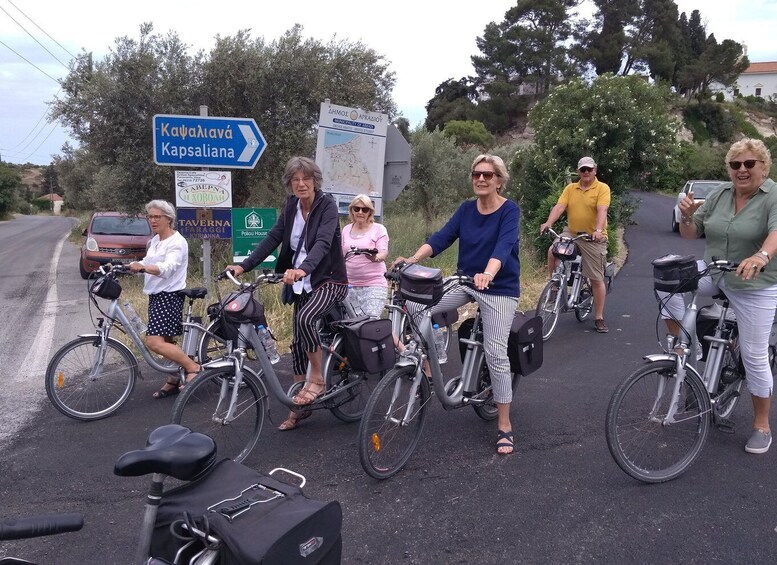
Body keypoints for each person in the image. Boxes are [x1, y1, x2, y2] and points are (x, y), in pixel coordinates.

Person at [394, 154, 520, 455]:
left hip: (499, 288)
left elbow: (504, 247)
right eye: (476, 174)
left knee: (496, 354)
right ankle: (427, 364)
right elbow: (441, 238)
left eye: (488, 175)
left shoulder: (509, 210)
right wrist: (411, 260)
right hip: (466, 281)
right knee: (416, 306)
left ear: (499, 181)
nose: (481, 179)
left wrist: (488, 273)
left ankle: (504, 424)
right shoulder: (466, 209)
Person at [667, 138, 777, 454]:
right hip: (718, 273)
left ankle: (761, 425)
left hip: (757, 284)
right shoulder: (721, 194)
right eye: (735, 165)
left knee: (754, 355)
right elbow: (691, 233)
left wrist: (761, 257)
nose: (741, 170)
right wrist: (687, 217)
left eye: (748, 164)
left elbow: (775, 233)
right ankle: (691, 350)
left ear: (763, 166)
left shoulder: (772, 196)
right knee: (667, 281)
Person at [227, 156, 348, 431]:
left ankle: (317, 378)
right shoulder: (292, 205)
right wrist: (244, 265)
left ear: (315, 181)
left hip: (328, 280)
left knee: (306, 319)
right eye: (296, 179)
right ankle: (299, 406)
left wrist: (303, 269)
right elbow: (273, 237)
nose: (301, 184)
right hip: (299, 281)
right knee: (296, 345)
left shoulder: (327, 206)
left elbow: (322, 242)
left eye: (306, 179)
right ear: (290, 183)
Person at [127, 200, 201, 398]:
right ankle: (173, 377)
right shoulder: (155, 241)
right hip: (155, 295)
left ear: (169, 219)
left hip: (169, 296)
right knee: (167, 341)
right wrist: (130, 265)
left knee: (154, 341)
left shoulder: (177, 242)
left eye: (157, 216)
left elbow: (168, 268)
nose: (152, 220)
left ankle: (192, 368)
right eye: (150, 216)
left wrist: (142, 267)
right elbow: (148, 262)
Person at [540, 156, 611, 333]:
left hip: (592, 237)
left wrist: (598, 230)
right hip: (571, 233)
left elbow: (602, 210)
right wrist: (548, 223)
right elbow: (559, 207)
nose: (586, 172)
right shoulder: (571, 188)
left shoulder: (602, 188)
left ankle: (599, 317)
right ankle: (555, 286)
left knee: (596, 278)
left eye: (589, 169)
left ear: (595, 170)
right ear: (578, 171)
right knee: (552, 251)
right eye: (582, 170)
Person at [342, 194, 389, 318]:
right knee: (350, 325)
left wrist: (374, 257)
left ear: (370, 212)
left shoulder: (379, 229)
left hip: (374, 284)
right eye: (356, 209)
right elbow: (341, 255)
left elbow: (383, 253)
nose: (360, 212)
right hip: (349, 284)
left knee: (370, 322)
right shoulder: (346, 229)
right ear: (352, 210)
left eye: (365, 209)